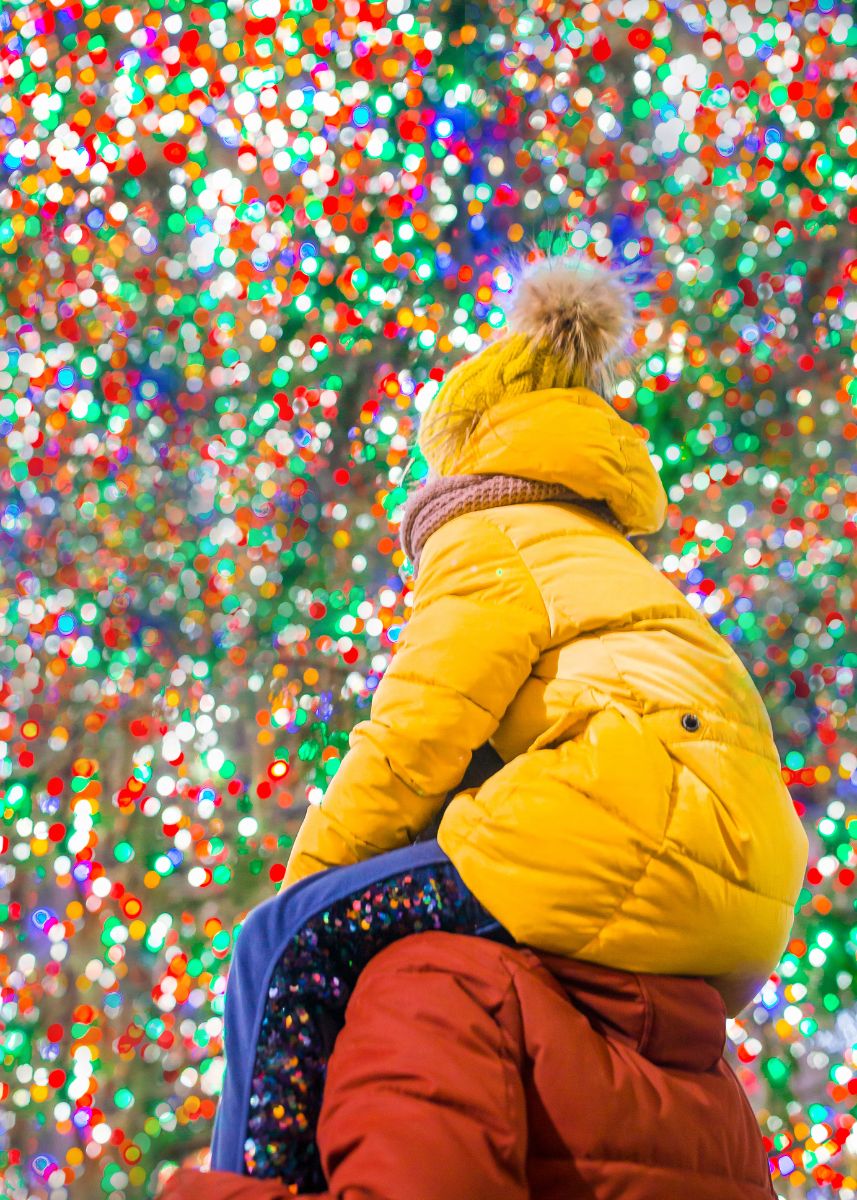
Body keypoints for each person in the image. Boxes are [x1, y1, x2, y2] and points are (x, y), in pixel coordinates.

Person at [172, 250, 807, 1194]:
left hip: (626, 822)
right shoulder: (607, 556)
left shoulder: (489, 531)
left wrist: (309, 892)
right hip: (744, 894)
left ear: (469, 442)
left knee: (282, 946)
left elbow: (415, 730)